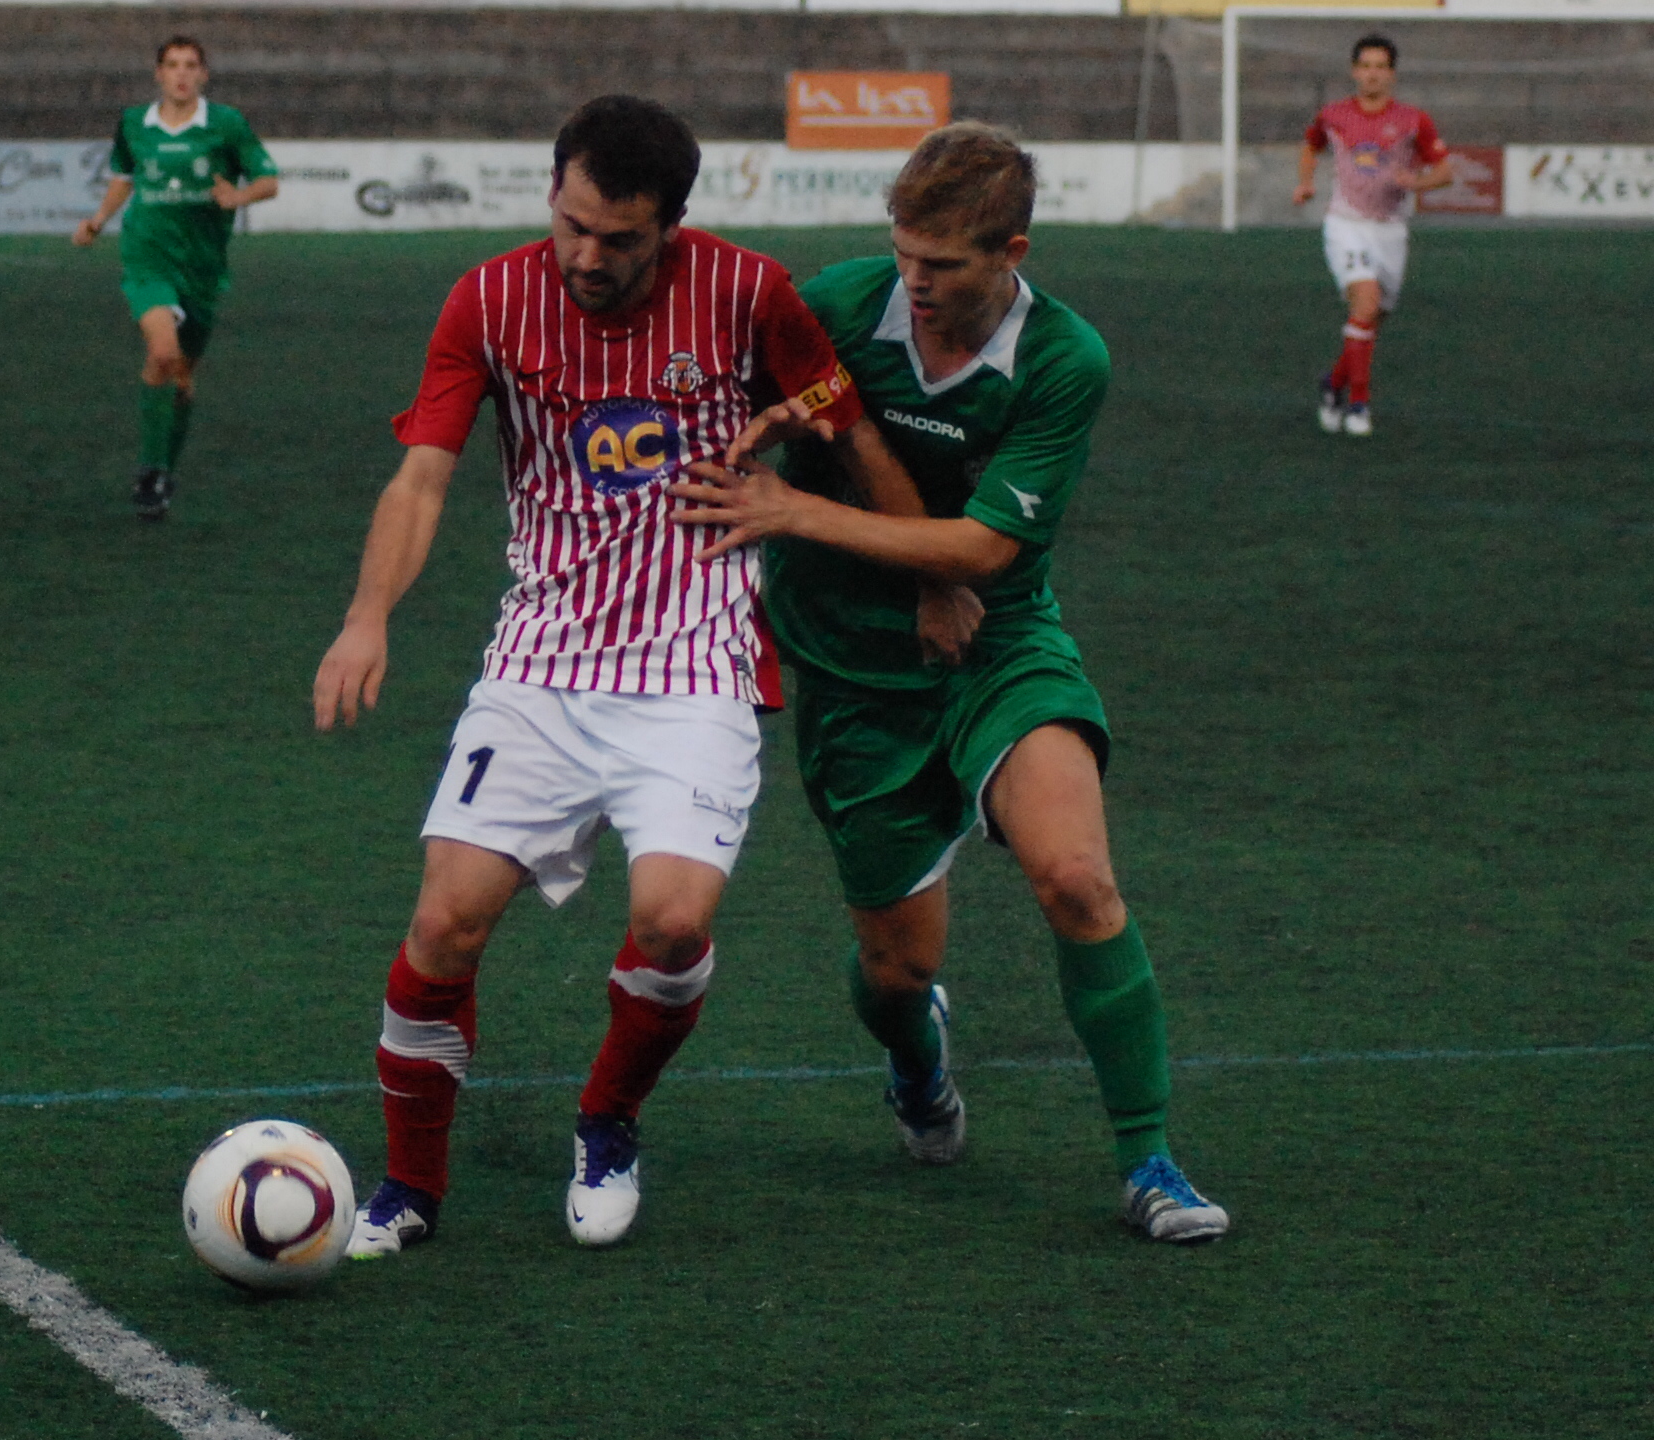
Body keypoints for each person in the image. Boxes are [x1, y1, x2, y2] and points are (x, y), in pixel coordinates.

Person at [312, 94, 911, 1256]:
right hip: (540, 664)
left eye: (620, 239)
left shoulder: (746, 293)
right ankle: (410, 1189)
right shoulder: (487, 299)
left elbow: (842, 421)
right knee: (442, 926)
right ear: (552, 190)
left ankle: (610, 1120)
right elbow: (422, 478)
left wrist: (931, 571)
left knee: (675, 925)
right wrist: (366, 617)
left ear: (671, 227)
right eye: (572, 224)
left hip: (697, 666)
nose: (587, 256)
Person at [668, 122, 1229, 1243]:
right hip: (848, 673)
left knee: (1076, 878)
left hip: (998, 644)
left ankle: (1152, 1162)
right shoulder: (836, 300)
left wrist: (790, 507)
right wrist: (760, 427)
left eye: (943, 266)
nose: (912, 283)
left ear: (1011, 250)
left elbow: (983, 556)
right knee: (894, 972)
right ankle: (918, 1063)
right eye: (903, 254)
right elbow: (723, 407)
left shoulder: (1066, 359)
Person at [72, 36, 279, 520]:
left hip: (202, 266)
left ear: (204, 75)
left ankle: (164, 468)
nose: (181, 74)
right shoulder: (133, 123)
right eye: (172, 65)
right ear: (158, 74)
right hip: (148, 256)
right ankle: (148, 470)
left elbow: (268, 180)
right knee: (162, 352)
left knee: (183, 376)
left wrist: (240, 198)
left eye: (190, 65)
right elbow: (125, 174)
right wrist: (99, 220)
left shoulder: (226, 124)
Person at [1292, 34, 1452, 438]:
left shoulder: (1414, 120)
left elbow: (1445, 172)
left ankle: (1332, 385)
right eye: (1365, 66)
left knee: (1370, 320)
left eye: (1381, 67)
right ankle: (1359, 406)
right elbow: (1310, 146)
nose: (1372, 74)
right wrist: (1305, 183)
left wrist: (1416, 181)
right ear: (1354, 71)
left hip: (1391, 231)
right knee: (1365, 301)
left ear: (1392, 74)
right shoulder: (1333, 115)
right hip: (1346, 225)